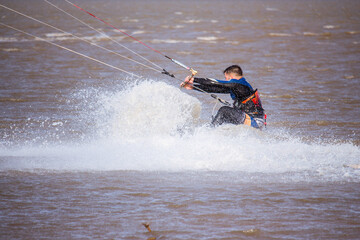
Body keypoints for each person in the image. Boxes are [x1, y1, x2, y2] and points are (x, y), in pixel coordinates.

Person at [181, 65, 266, 129]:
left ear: (231, 77)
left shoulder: (240, 85)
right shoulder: (237, 87)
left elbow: (217, 83)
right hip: (247, 118)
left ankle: (209, 132)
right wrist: (193, 87)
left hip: (255, 121)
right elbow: (214, 89)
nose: (225, 80)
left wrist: (194, 80)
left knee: (224, 110)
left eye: (226, 78)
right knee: (223, 118)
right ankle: (209, 131)